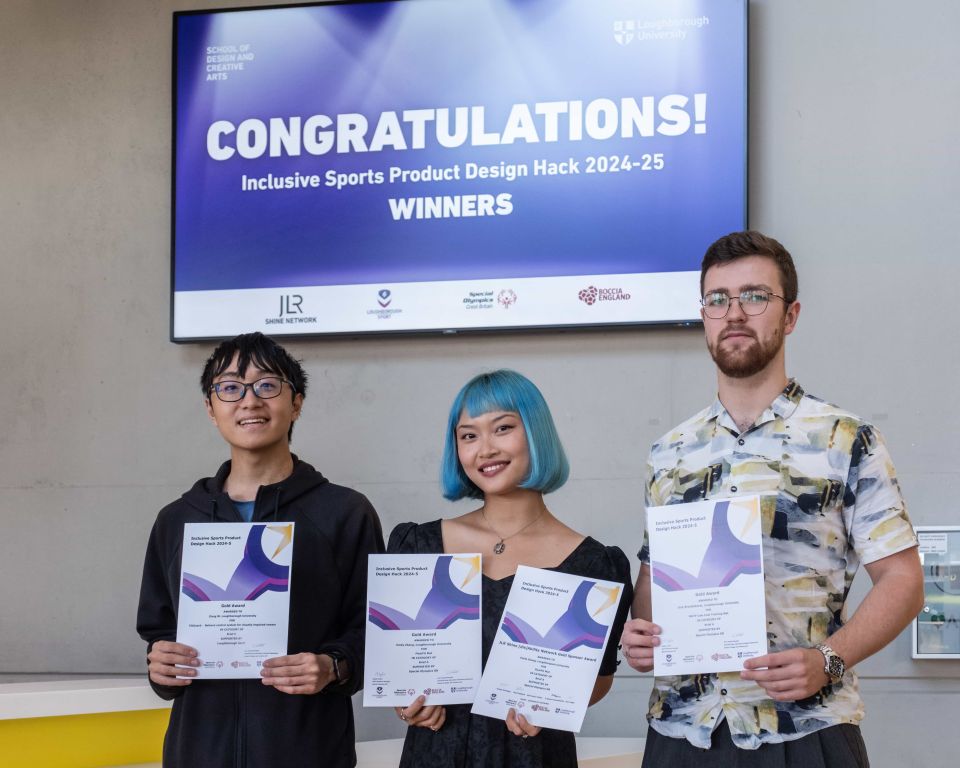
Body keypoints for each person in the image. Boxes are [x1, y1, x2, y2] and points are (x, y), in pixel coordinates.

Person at [620, 231, 924, 766]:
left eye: (755, 296)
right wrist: (642, 635)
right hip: (682, 731)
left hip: (805, 729)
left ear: (791, 315)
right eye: (718, 299)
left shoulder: (846, 439)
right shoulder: (669, 453)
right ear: (705, 315)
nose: (734, 312)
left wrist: (829, 659)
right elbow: (654, 584)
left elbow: (903, 582)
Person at [136, 332, 384, 768]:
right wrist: (161, 665)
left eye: (267, 385)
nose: (249, 401)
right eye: (230, 388)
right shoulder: (177, 519)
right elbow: (159, 634)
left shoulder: (343, 512)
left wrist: (333, 665)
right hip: (198, 751)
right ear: (211, 409)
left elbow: (375, 634)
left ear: (297, 403)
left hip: (307, 750)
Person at [389, 369, 633, 768]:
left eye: (502, 428)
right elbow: (399, 668)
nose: (484, 449)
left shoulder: (594, 564)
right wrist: (406, 703)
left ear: (535, 433)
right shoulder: (417, 547)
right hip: (434, 754)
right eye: (469, 435)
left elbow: (599, 680)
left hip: (534, 756)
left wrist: (550, 704)